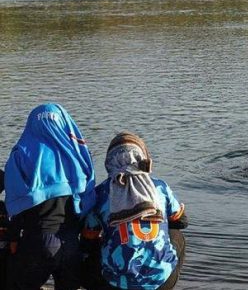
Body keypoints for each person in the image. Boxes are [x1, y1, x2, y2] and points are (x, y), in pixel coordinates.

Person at [3, 103, 96, 289]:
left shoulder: (21, 154)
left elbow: (15, 204)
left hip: (37, 241)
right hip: (70, 242)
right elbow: (88, 200)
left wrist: (13, 238)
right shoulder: (77, 155)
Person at [81, 132, 188, 290]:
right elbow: (182, 221)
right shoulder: (160, 187)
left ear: (109, 162)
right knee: (176, 234)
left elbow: (88, 240)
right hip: (162, 282)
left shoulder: (100, 193)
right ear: (143, 158)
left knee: (90, 246)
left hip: (115, 285)